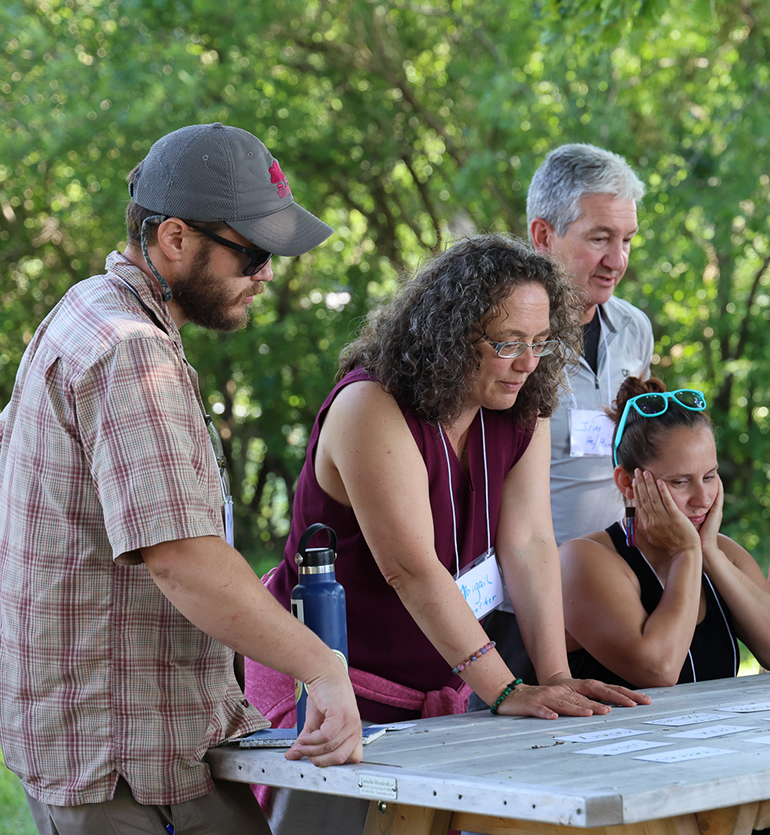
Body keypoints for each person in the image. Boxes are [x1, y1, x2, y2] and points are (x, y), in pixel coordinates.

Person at [0, 122, 364, 834]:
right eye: (251, 251)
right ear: (173, 238)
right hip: (132, 767)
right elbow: (182, 558)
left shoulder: (81, 313)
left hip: (106, 749)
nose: (266, 272)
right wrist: (323, 667)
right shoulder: (130, 351)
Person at [241, 235, 649, 831]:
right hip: (333, 692)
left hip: (443, 693)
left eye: (541, 343)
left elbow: (530, 542)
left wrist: (554, 678)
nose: (527, 363)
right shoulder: (370, 406)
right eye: (506, 343)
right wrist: (508, 691)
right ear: (448, 335)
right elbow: (410, 568)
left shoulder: (521, 404)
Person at [559, 376, 770, 687]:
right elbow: (659, 670)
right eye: (680, 482)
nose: (703, 499)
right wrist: (687, 553)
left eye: (709, 476)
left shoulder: (722, 552)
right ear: (628, 484)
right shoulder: (582, 560)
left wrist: (709, 554)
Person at [528, 143, 657, 545]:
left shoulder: (635, 329)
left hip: (615, 578)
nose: (618, 261)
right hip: (524, 595)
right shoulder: (506, 343)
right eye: (601, 239)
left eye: (628, 240)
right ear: (544, 236)